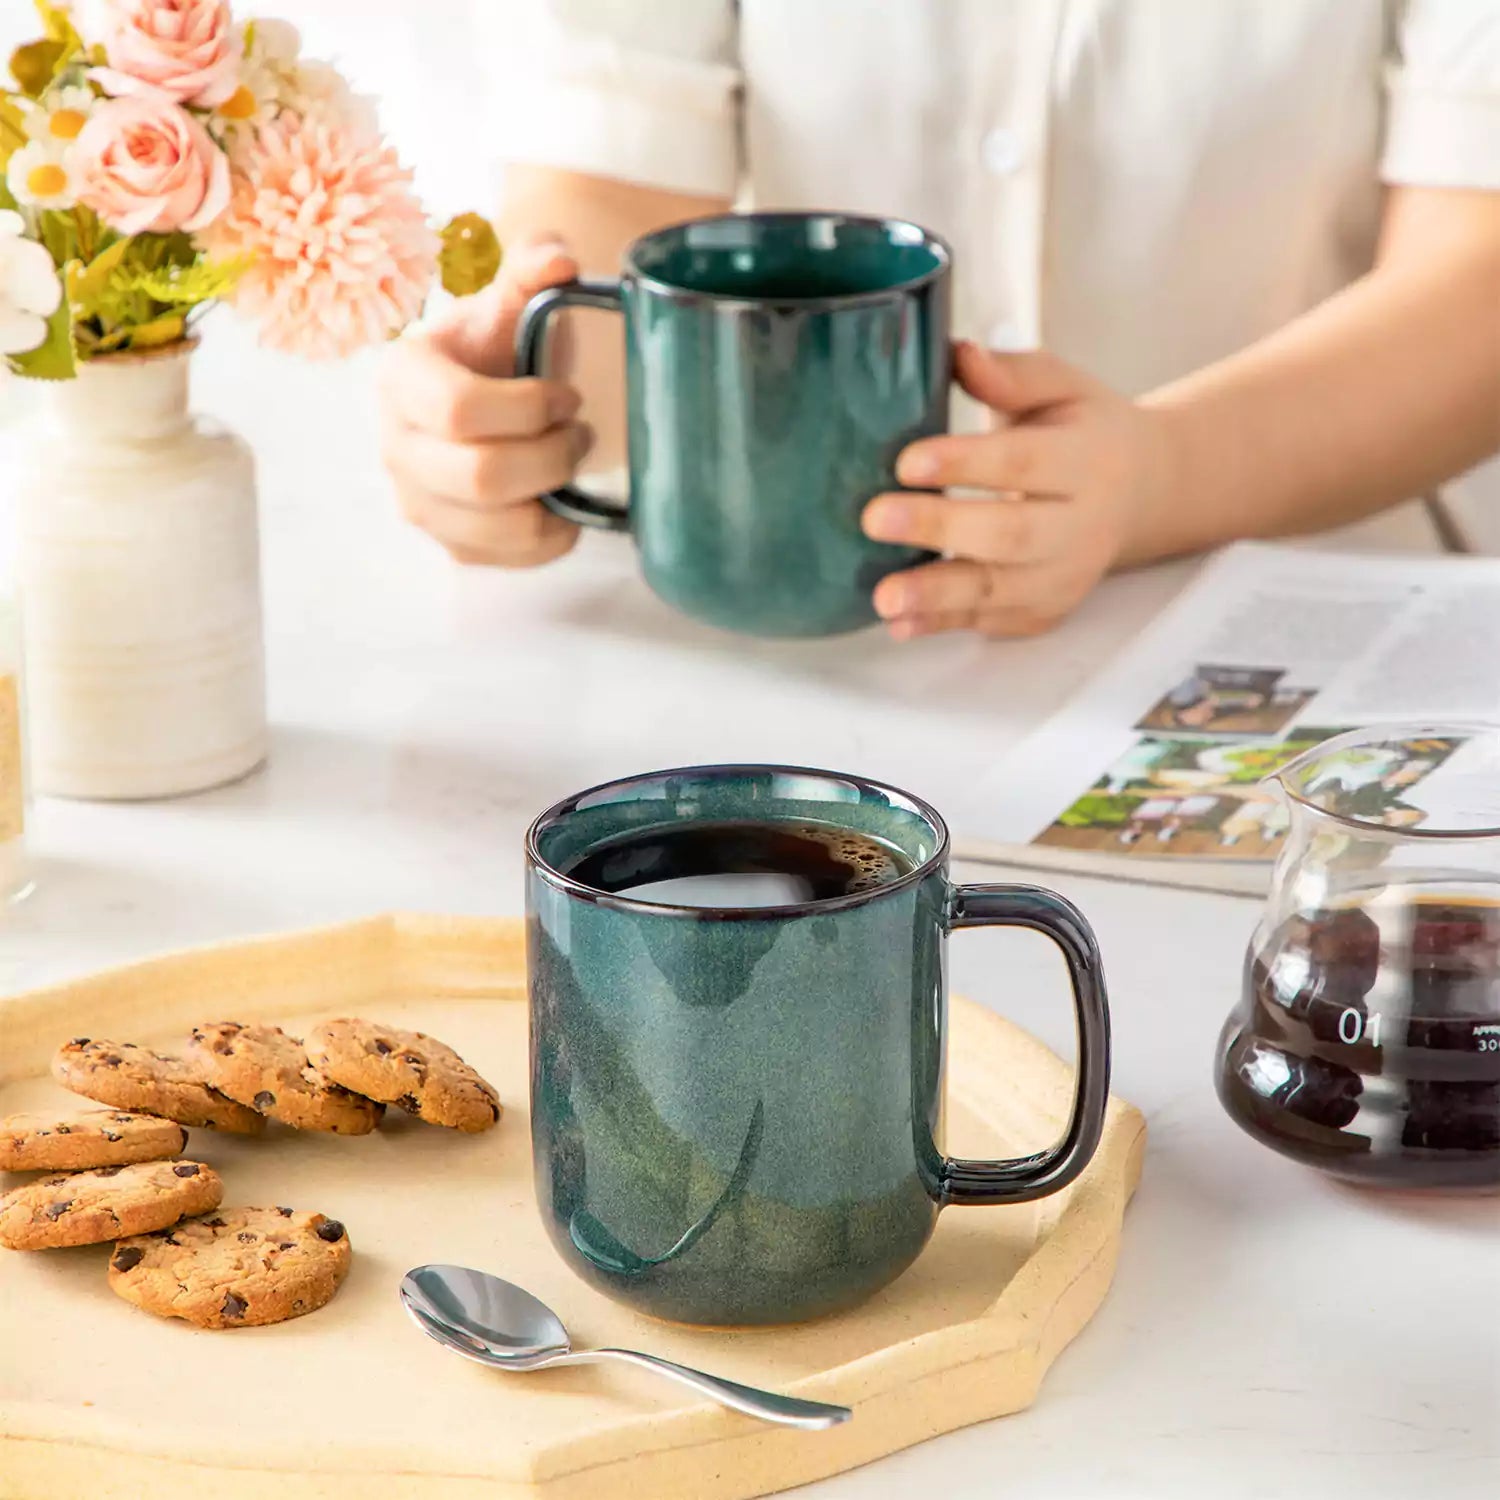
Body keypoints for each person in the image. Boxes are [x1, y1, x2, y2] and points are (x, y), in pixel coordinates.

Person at [379, 1, 1500, 641]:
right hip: (793, 662)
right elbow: (618, 180)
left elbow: (1477, 275)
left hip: (1313, 610)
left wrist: (1161, 475)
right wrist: (510, 415)